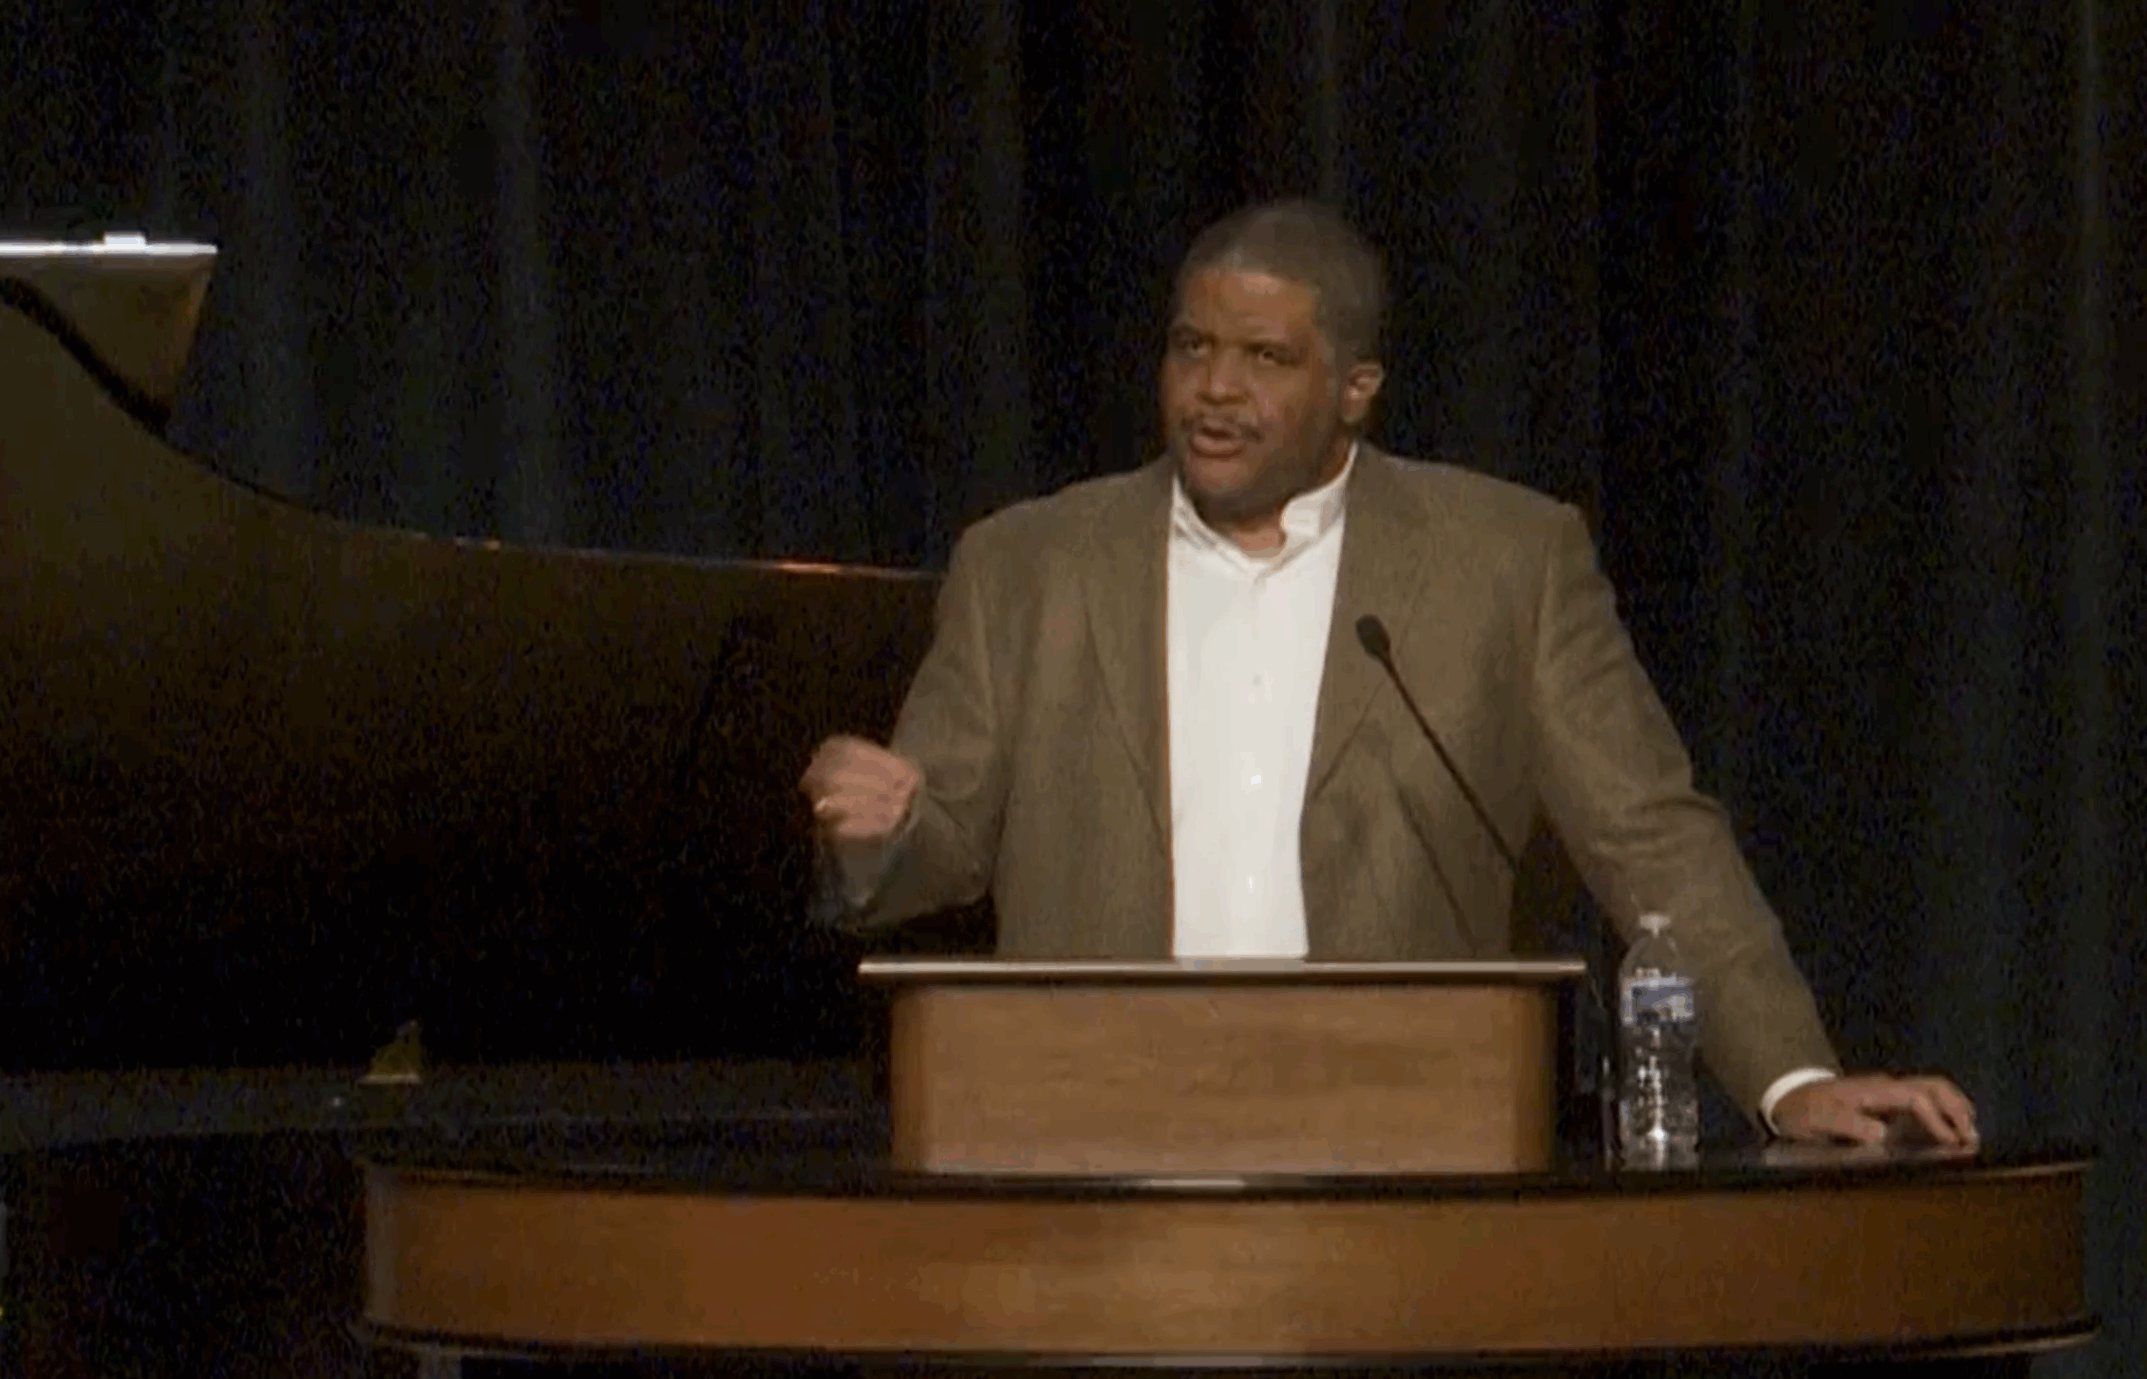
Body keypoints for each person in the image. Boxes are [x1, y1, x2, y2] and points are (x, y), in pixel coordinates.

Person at [801, 200, 1974, 1146]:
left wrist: (1790, 1077)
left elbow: (1648, 833)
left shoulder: (1503, 564)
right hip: (1092, 1137)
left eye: (1264, 358)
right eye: (1191, 347)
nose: (1214, 389)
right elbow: (933, 851)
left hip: (1401, 1138)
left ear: (1355, 389)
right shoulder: (1026, 564)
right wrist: (876, 834)